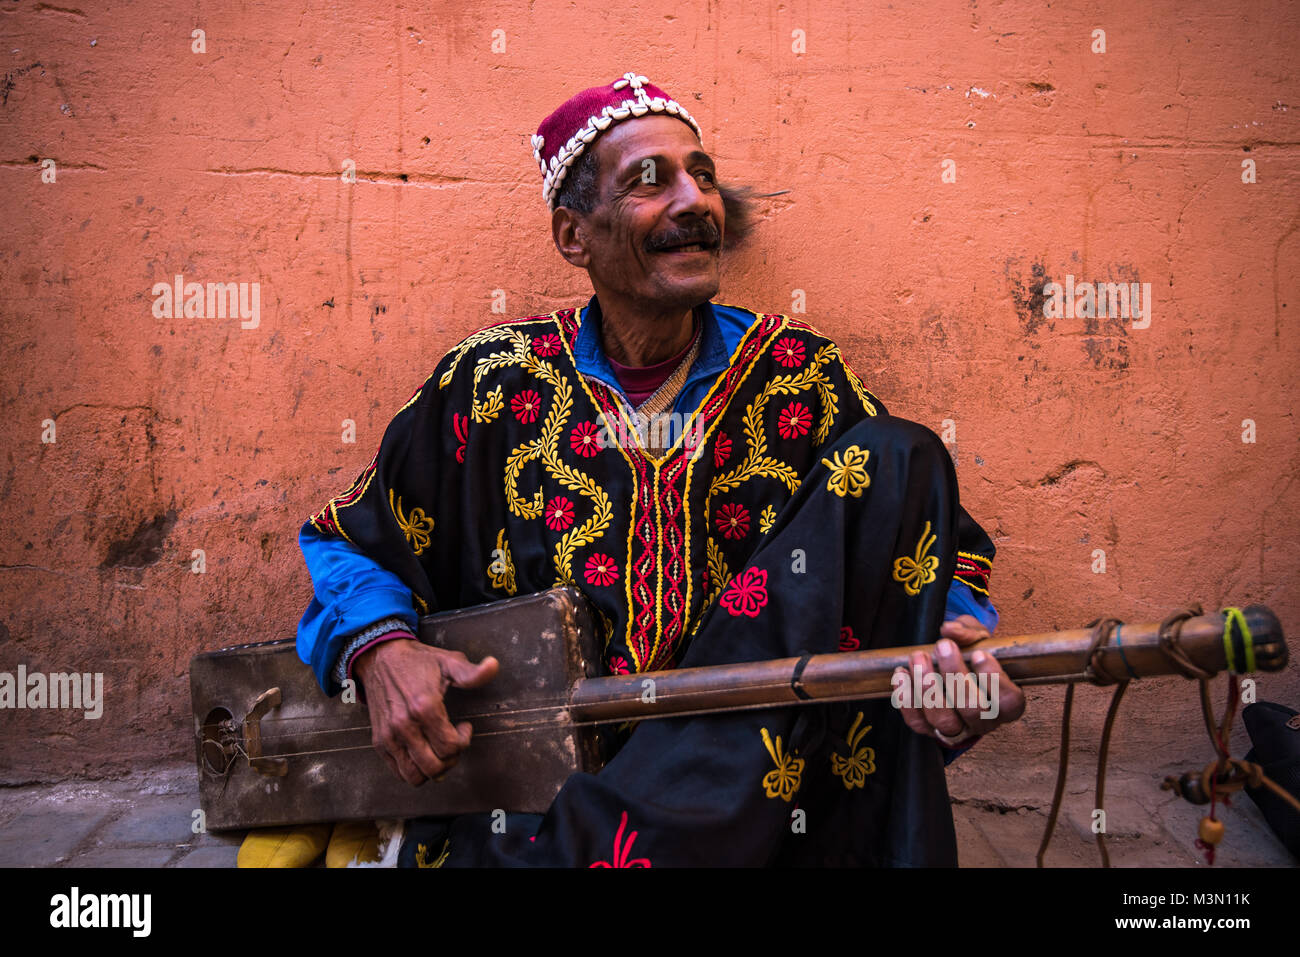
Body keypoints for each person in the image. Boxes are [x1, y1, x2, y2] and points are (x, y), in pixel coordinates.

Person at [290, 71, 1025, 867]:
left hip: (773, 798)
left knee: (899, 454)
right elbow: (352, 540)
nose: (694, 201)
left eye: (702, 176)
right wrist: (380, 648)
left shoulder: (800, 377)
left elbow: (924, 553)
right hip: (550, 797)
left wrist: (953, 647)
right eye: (650, 181)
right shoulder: (493, 383)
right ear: (575, 237)